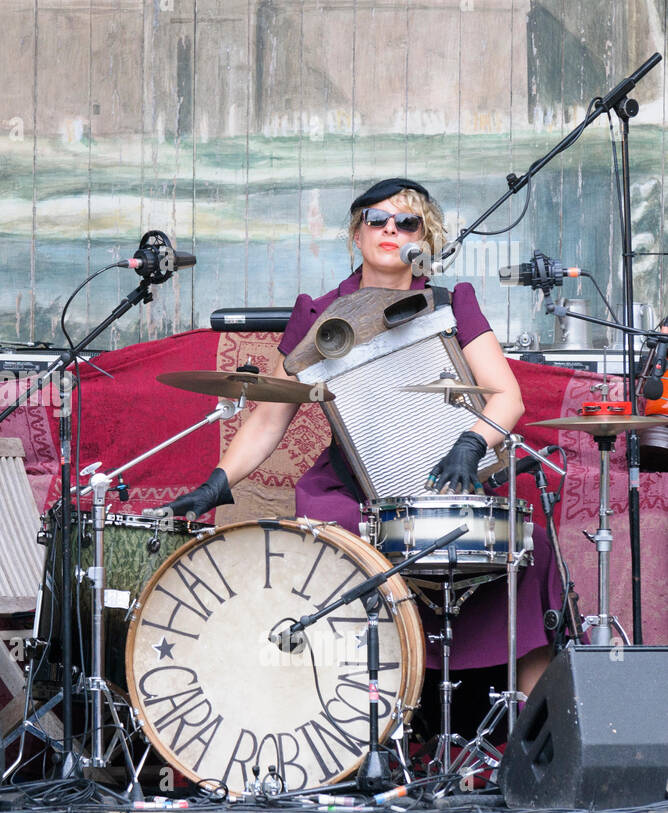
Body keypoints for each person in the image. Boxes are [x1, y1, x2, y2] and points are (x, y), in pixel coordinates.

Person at [165, 178, 561, 695]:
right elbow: (268, 417)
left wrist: (470, 443)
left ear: (426, 236)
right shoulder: (320, 316)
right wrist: (220, 480)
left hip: (447, 481)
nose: (391, 230)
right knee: (335, 543)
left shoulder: (451, 301)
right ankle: (353, 718)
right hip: (353, 491)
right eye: (378, 220)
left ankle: (528, 742)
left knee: (533, 552)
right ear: (357, 233)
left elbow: (506, 397)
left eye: (407, 222)